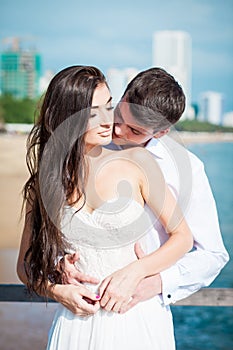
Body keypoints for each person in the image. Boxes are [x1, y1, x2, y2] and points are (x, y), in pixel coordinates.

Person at [17, 65, 194, 349]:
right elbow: (25, 267)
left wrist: (136, 271)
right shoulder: (46, 181)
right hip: (76, 323)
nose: (106, 120)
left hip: (134, 317)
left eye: (109, 106)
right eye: (91, 112)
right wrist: (58, 291)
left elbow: (183, 238)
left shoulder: (138, 161)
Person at [59, 67, 229, 314]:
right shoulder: (87, 147)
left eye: (135, 131)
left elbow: (213, 254)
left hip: (139, 308)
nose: (117, 131)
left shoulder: (187, 168)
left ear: (161, 132)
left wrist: (154, 283)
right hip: (81, 305)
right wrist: (59, 264)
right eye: (118, 115)